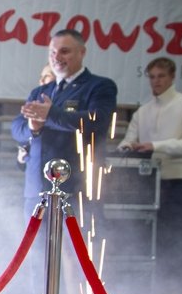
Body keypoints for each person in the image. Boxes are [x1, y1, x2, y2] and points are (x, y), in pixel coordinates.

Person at [11, 29, 117, 218]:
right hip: (36, 189)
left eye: (64, 51)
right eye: (52, 52)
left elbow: (96, 121)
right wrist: (33, 128)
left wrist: (51, 115)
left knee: (77, 238)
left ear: (82, 52)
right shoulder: (40, 91)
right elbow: (17, 128)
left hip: (77, 191)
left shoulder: (99, 86)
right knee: (34, 239)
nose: (56, 57)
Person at [117, 57, 182, 283]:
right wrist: (127, 147)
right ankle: (147, 290)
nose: (156, 81)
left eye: (161, 76)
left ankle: (174, 290)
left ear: (172, 77)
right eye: (152, 77)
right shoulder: (142, 111)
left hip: (175, 183)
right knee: (144, 242)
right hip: (144, 189)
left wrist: (156, 146)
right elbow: (127, 141)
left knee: (175, 241)